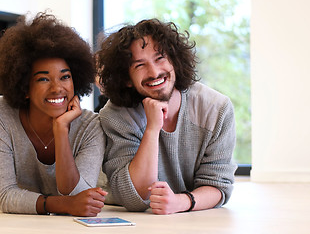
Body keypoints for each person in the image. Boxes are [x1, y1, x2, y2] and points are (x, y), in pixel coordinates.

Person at [96, 18, 237, 214]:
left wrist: (182, 202)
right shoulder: (115, 115)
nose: (154, 72)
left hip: (184, 209)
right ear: (127, 79)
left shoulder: (216, 108)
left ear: (174, 60)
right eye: (139, 65)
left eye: (160, 58)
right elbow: (135, 198)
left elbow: (218, 185)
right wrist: (152, 129)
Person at [0, 13, 107, 216]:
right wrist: (63, 205)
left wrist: (61, 129)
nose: (57, 88)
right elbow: (5, 196)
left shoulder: (91, 125)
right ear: (24, 87)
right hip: (11, 177)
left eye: (65, 76)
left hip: (38, 191)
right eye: (43, 79)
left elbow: (81, 196)